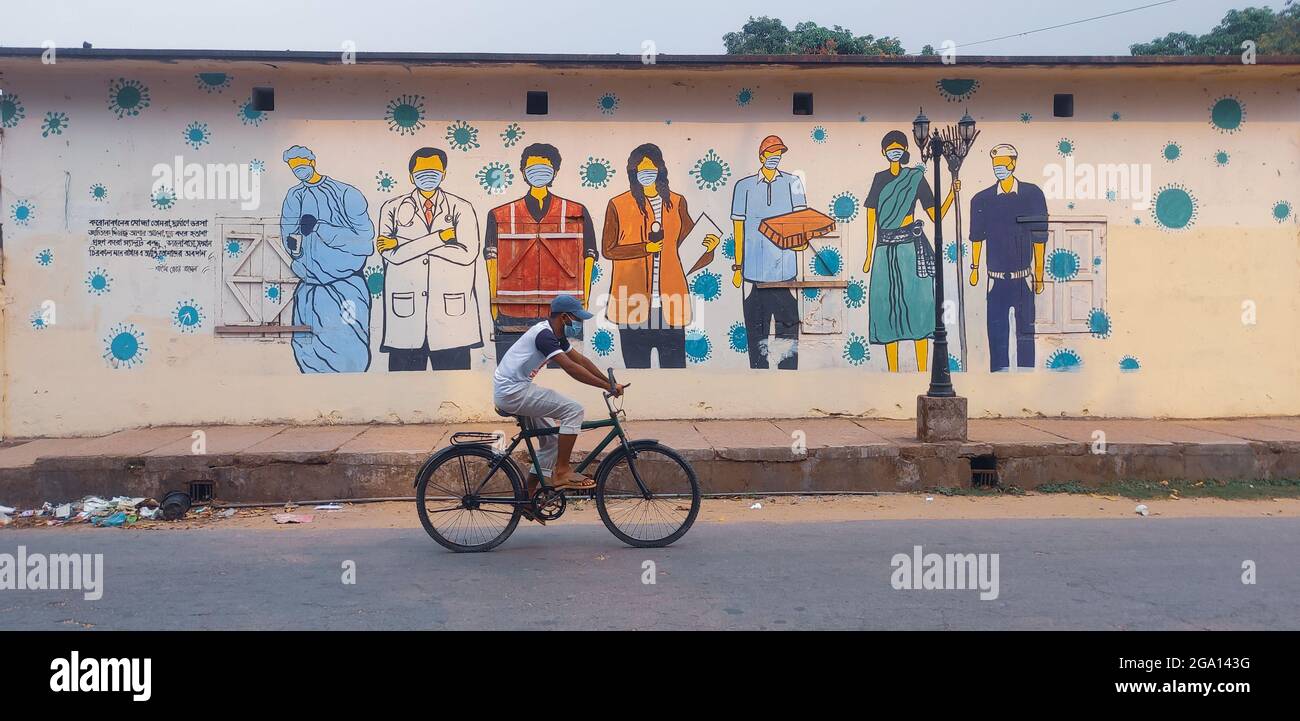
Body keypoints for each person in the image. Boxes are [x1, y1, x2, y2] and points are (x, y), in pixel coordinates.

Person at [493, 295, 625, 508]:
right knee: (573, 410)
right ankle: (562, 471)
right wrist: (605, 387)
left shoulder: (554, 335)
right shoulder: (544, 336)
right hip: (512, 392)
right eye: (577, 318)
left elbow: (580, 360)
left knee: (553, 442)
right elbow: (572, 369)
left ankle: (527, 498)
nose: (578, 324)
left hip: (517, 388)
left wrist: (610, 382)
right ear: (564, 318)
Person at [602, 143, 720, 368]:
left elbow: (688, 253)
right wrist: (645, 248)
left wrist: (709, 247)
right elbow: (608, 250)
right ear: (633, 173)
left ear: (660, 170)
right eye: (640, 169)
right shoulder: (618, 204)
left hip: (670, 305)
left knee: (674, 370)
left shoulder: (676, 203)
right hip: (632, 304)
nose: (646, 174)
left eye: (651, 168)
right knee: (635, 374)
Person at [484, 143, 598, 362]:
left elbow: (589, 259)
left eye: (544, 167)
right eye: (532, 167)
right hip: (512, 313)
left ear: (555, 171)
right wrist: (495, 310)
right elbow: (492, 263)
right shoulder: (499, 215)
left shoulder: (576, 212)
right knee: (514, 372)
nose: (538, 172)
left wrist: (582, 304)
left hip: (561, 316)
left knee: (565, 374)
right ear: (523, 171)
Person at [374, 147, 483, 371]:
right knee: (402, 393)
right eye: (421, 171)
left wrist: (404, 242)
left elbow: (466, 254)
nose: (427, 175)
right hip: (406, 316)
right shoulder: (392, 208)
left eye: (433, 170)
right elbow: (390, 254)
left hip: (451, 318)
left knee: (457, 387)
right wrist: (442, 237)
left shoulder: (462, 207)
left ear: (443, 173)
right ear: (411, 174)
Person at [862, 131, 957, 372]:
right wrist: (867, 253)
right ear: (884, 152)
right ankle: (893, 372)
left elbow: (935, 214)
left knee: (919, 307)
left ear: (905, 150)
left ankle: (923, 371)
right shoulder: (879, 178)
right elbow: (871, 215)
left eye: (899, 147)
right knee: (886, 310)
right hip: (884, 250)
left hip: (911, 249)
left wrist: (951, 195)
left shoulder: (915, 178)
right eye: (890, 147)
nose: (894, 151)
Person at [279, 145, 375, 373]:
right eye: (293, 164)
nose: (298, 167)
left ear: (312, 161)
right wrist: (296, 245)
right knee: (306, 349)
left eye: (301, 161)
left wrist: (322, 228)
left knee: (349, 348)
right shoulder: (294, 196)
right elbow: (288, 237)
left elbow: (365, 242)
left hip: (345, 287)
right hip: (309, 288)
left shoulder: (345, 194)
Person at [728, 135, 808, 370]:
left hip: (785, 275)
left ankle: (788, 383)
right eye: (771, 153)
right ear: (761, 156)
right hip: (754, 276)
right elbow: (738, 228)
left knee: (788, 337)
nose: (775, 158)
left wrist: (800, 242)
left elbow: (800, 221)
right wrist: (738, 266)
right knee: (756, 337)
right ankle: (757, 381)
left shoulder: (793, 182)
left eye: (779, 154)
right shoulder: (744, 186)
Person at [968, 143, 1049, 372]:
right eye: (995, 165)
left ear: (1013, 163)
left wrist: (1040, 276)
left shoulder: (1032, 194)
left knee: (1026, 333)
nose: (999, 169)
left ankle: (1026, 376)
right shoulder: (981, 200)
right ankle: (999, 379)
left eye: (1003, 164)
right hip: (995, 280)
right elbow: (976, 238)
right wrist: (974, 269)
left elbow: (1039, 239)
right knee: (997, 334)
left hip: (1023, 278)